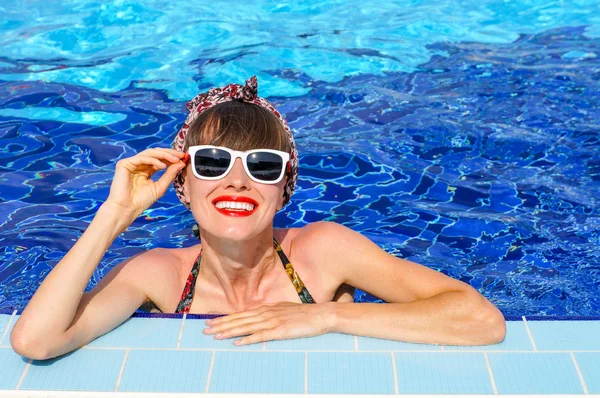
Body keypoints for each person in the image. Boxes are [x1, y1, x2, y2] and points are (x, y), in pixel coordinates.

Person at [11, 76, 506, 360]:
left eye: (262, 166)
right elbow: (36, 341)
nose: (237, 181)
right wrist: (114, 215)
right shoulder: (160, 274)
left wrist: (326, 315)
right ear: (182, 183)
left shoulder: (322, 252)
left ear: (283, 188)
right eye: (212, 162)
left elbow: (479, 318)